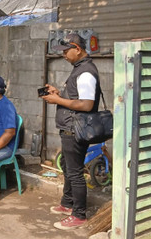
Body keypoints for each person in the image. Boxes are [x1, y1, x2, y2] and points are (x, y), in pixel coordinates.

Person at [41, 33, 102, 230]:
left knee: (75, 173)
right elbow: (76, 97)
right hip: (70, 128)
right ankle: (67, 204)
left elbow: (86, 104)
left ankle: (79, 215)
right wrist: (59, 94)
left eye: (67, 51)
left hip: (76, 129)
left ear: (78, 48)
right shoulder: (79, 69)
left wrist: (57, 100)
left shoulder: (85, 72)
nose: (64, 55)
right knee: (68, 167)